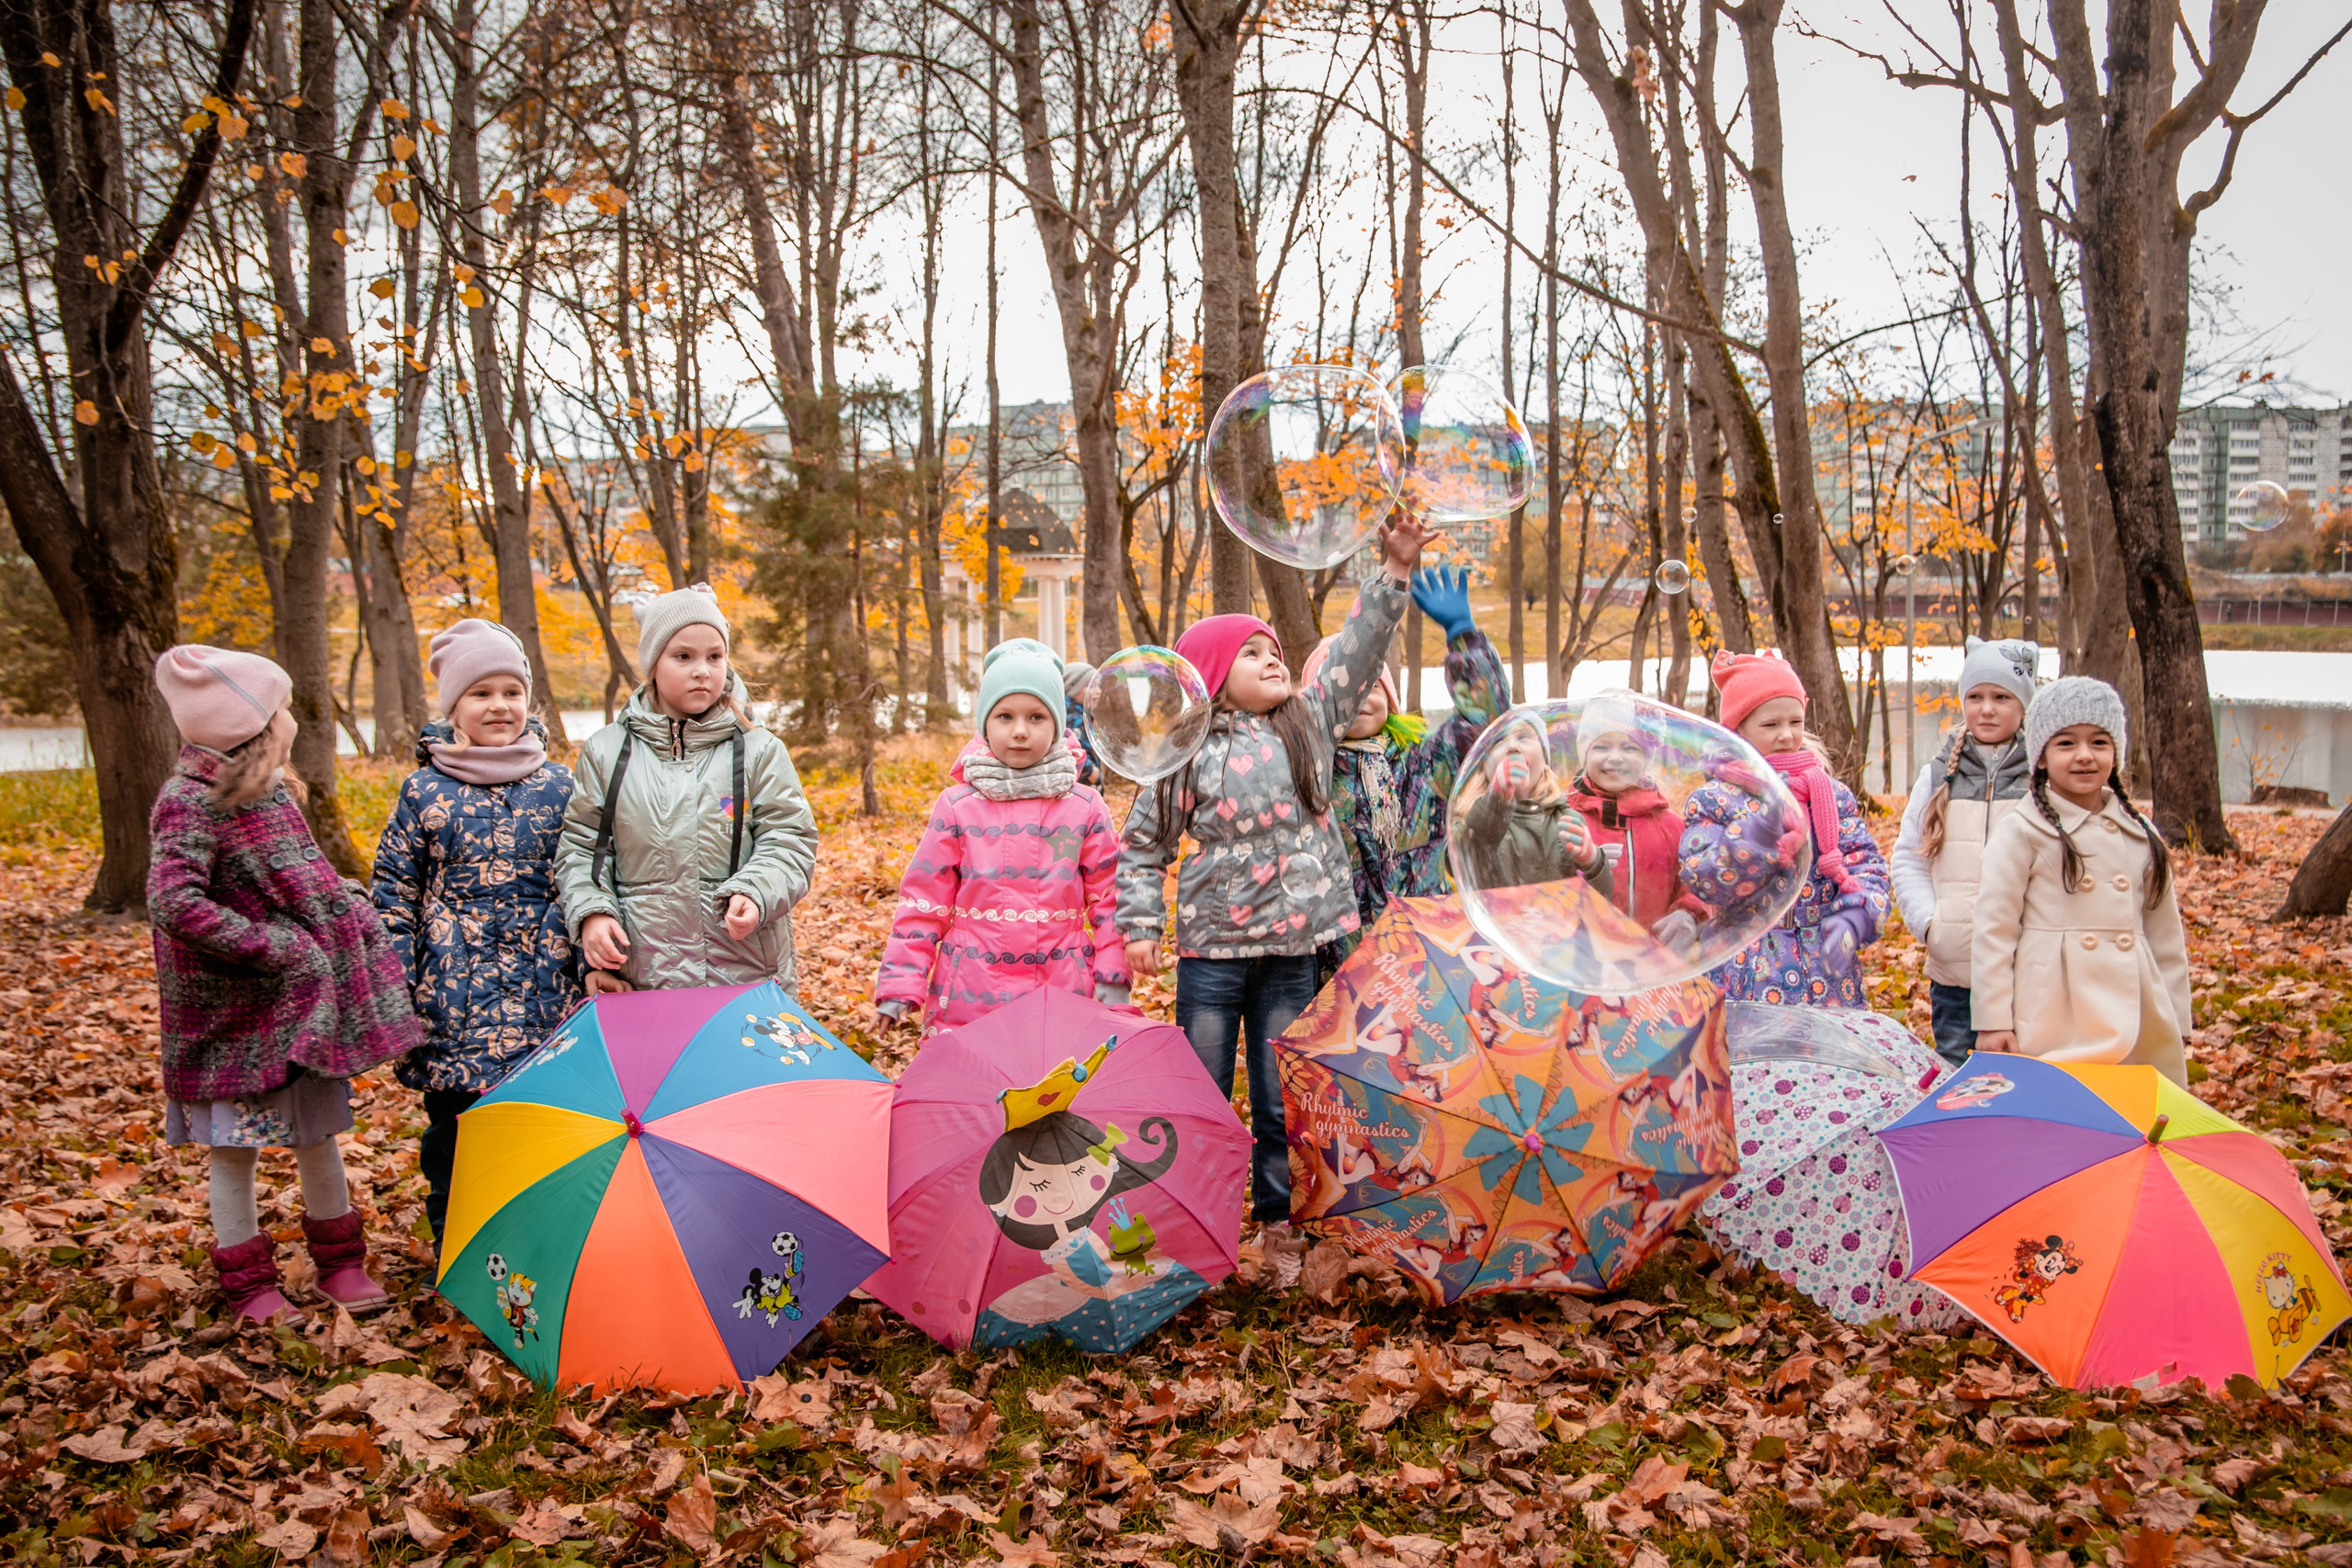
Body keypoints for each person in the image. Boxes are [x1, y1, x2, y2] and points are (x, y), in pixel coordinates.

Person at [1116, 512, 1433, 1286]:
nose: (1272, 659)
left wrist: (1393, 573)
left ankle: (1278, 1228)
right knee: (1198, 1093)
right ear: (1209, 675)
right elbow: (1144, 843)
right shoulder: (1185, 752)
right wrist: (1140, 923)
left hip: (1291, 952)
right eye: (1252, 652)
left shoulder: (1308, 723)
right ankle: (1192, 1226)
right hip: (1212, 958)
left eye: (1275, 650)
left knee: (1275, 1099)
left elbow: (1356, 653)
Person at [147, 646, 421, 1322]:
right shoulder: (189, 801)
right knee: (234, 1148)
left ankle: (341, 1264)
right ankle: (248, 1284)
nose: (294, 719)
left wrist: (341, 906)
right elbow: (174, 900)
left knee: (316, 1135)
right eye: (285, 708)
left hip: (302, 1009)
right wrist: (274, 946)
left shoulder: (272, 792)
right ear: (257, 724)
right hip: (235, 1016)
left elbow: (296, 878)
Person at [371, 619, 582, 1255]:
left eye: (511, 692)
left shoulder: (558, 785)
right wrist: (396, 981)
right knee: (454, 1138)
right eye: (481, 693)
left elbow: (585, 876)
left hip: (547, 997)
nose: (499, 706)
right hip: (453, 1001)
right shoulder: (425, 790)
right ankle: (458, 1248)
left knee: (541, 1130)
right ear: (454, 708)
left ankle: (541, 1247)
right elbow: (394, 891)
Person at [555, 584, 820, 992]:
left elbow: (790, 838)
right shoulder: (607, 752)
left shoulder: (758, 749)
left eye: (715, 656)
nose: (702, 670)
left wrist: (757, 890)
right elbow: (583, 848)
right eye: (683, 657)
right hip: (646, 976)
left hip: (743, 973)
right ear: (653, 664)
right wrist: (592, 912)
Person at [875, 637, 1128, 1032]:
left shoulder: (1084, 808)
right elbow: (924, 901)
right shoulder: (958, 807)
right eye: (1005, 716)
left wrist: (1112, 973)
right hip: (970, 994)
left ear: (1057, 725)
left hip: (1062, 988)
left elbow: (1108, 897)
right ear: (985, 724)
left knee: (1056, 1072)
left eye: (1037, 717)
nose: (1020, 731)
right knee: (971, 1071)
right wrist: (900, 983)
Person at [1971, 677, 2190, 1084]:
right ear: (2041, 757)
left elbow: (2165, 935)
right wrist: (1993, 1019)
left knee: (2134, 1105)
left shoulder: (2140, 833)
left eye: (2099, 742)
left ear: (2116, 753)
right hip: (2053, 1010)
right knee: (2055, 1100)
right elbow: (1993, 931)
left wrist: (2176, 1016)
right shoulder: (2022, 830)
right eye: (2067, 743)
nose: (2085, 756)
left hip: (2137, 1009)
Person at [1307, 565, 1511, 982]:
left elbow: (1484, 719)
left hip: (1429, 951)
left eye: (1372, 685)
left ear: (1391, 698)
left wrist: (1462, 636)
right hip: (1340, 967)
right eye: (1346, 691)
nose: (1360, 697)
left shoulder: (1424, 763)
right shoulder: (1308, 772)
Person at [1679, 649, 1890, 1008]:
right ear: (1738, 730)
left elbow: (1865, 862)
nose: (1787, 735)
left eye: (1795, 722)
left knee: (1826, 1046)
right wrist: (1752, 840)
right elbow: (1703, 879)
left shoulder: (1830, 794)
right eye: (1771, 725)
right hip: (1746, 969)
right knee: (1755, 1046)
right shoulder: (1713, 799)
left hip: (1826, 973)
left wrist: (1858, 916)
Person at [1888, 637, 2039, 1066]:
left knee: (2022, 1077)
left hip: (2025, 973)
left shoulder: (2040, 779)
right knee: (1958, 1075)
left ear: (2024, 706)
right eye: (1976, 697)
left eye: (2001, 697)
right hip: (1955, 975)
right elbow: (1909, 857)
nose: (1987, 709)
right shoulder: (1938, 775)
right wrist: (1930, 926)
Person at [1561, 694, 1705, 942]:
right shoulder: (1563, 820)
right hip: (1577, 956)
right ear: (1584, 752)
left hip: (1653, 957)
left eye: (1630, 748)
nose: (1616, 757)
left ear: (1646, 757)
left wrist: (1689, 913)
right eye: (1602, 746)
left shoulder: (1672, 827)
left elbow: (1695, 882)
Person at [1457, 714, 1616, 895]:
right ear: (1482, 767)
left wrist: (1592, 862)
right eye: (1498, 741)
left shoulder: (1567, 819)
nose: (1512, 747)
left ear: (1544, 760)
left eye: (1523, 737)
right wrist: (1495, 800)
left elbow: (1600, 897)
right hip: (1495, 913)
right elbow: (1462, 860)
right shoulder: (1467, 818)